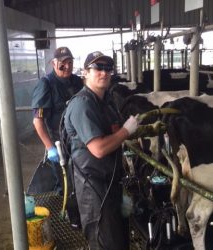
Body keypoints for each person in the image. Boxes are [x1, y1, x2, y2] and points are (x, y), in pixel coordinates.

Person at [64, 51, 139, 250]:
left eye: (108, 69)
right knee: (104, 243)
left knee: (119, 241)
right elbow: (98, 148)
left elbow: (112, 134)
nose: (104, 73)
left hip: (110, 183)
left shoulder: (106, 102)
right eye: (98, 68)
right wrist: (126, 131)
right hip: (93, 188)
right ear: (86, 72)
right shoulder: (83, 104)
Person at [31, 47, 83, 193]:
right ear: (54, 64)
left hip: (80, 139)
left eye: (70, 62)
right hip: (59, 142)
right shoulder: (46, 84)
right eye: (62, 63)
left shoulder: (77, 81)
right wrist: (50, 148)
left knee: (81, 180)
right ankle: (66, 206)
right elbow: (38, 121)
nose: (67, 66)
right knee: (65, 183)